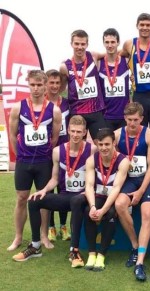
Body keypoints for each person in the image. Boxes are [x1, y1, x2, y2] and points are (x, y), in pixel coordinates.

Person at [12, 115, 97, 262]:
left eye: (79, 132)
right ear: (68, 131)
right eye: (73, 131)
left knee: (77, 200)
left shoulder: (92, 150)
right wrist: (44, 190)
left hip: (84, 197)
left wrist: (91, 191)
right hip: (65, 196)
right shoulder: (58, 151)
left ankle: (74, 251)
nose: (75, 135)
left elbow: (98, 175)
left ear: (85, 133)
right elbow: (55, 178)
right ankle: (35, 246)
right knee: (34, 200)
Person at [7, 70, 61, 252]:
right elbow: (13, 136)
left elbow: (54, 138)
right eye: (33, 85)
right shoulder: (18, 107)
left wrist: (43, 155)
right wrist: (20, 155)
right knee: (22, 198)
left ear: (45, 86)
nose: (36, 89)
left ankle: (44, 235)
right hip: (24, 161)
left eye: (40, 85)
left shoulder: (54, 110)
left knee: (43, 199)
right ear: (28, 85)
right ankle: (18, 237)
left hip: (44, 162)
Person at [114, 102, 150, 281]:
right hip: (128, 179)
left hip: (146, 179)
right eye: (130, 120)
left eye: (136, 120)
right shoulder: (117, 135)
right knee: (119, 204)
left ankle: (140, 260)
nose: (133, 123)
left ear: (142, 119)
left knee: (147, 213)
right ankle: (135, 244)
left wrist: (140, 191)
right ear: (125, 118)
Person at [83, 128, 129, 271]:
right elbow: (89, 185)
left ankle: (101, 255)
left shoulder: (123, 161)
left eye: (107, 144)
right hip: (98, 195)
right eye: (101, 144)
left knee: (109, 214)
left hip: (114, 197)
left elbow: (116, 188)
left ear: (114, 143)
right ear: (97, 144)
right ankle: (91, 253)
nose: (104, 148)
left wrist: (103, 210)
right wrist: (92, 207)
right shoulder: (91, 160)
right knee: (87, 212)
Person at [121, 13, 150, 137]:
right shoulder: (129, 44)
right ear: (137, 26)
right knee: (140, 135)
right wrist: (130, 72)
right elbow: (117, 57)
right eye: (142, 25)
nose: (145, 27)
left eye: (148, 25)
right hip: (139, 97)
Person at [60, 29, 106, 142]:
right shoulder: (65, 66)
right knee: (77, 148)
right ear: (71, 44)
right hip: (77, 114)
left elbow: (113, 53)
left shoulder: (93, 56)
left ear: (87, 44)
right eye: (76, 44)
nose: (79, 47)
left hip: (96, 112)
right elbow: (59, 89)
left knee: (102, 145)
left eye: (82, 44)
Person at [45, 69, 71, 242]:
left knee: (63, 189)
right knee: (49, 189)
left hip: (64, 152)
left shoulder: (68, 103)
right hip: (46, 152)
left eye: (57, 83)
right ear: (46, 83)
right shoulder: (41, 104)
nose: (54, 86)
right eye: (51, 82)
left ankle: (63, 226)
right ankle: (50, 227)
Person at [98, 28, 129, 130]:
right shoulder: (98, 62)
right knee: (107, 145)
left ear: (118, 42)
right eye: (107, 42)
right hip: (106, 115)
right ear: (103, 43)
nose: (110, 45)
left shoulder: (126, 60)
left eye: (112, 42)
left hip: (124, 115)